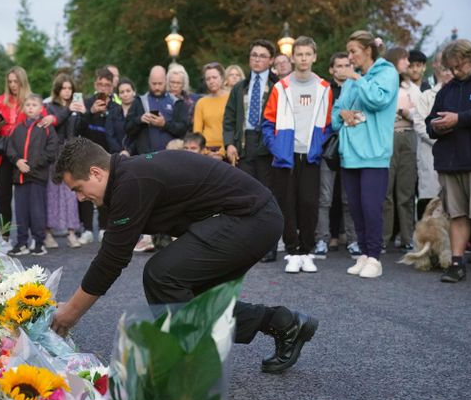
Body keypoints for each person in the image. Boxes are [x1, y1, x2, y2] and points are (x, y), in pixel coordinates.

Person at [51, 137, 319, 374]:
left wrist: (71, 313)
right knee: (190, 297)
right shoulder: (128, 178)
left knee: (162, 275)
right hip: (250, 219)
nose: (79, 197)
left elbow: (111, 259)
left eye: (77, 188)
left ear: (96, 173)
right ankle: (285, 323)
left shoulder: (131, 182)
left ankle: (188, 366)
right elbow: (111, 253)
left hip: (253, 218)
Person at [262, 36, 333, 274]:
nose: (303, 58)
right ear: (293, 57)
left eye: (307, 54)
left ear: (314, 57)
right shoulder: (281, 87)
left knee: (309, 203)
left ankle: (307, 251)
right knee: (287, 203)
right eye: (299, 54)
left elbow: (328, 124)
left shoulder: (324, 88)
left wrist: (319, 145)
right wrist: (278, 149)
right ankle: (292, 252)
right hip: (286, 155)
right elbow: (268, 123)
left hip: (310, 155)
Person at [332, 30, 399, 279]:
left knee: (371, 207)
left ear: (368, 50)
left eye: (353, 52)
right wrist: (341, 114)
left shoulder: (387, 73)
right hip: (350, 152)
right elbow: (336, 111)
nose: (349, 57)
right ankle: (363, 253)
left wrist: (356, 79)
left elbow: (377, 101)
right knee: (356, 208)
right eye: (348, 52)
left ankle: (375, 257)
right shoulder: (352, 78)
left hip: (374, 153)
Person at [222, 39, 279, 262]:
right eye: (253, 55)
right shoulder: (240, 88)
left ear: (271, 60)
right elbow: (229, 119)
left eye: (262, 56)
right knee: (244, 196)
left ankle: (269, 246)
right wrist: (230, 143)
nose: (256, 59)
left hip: (267, 145)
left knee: (268, 196)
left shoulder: (278, 86)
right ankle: (244, 246)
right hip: (244, 144)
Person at [425, 39, 471, 283]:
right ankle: (456, 264)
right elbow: (429, 121)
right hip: (450, 161)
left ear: (470, 58)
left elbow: (462, 117)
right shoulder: (447, 89)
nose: (455, 71)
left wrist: (459, 119)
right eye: (452, 67)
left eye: (459, 66)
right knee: (457, 215)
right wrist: (436, 126)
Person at [0, 67, 45, 247]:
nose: (12, 85)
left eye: (16, 81)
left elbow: (42, 120)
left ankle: (28, 238)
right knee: (3, 197)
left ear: (22, 81)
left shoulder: (30, 101)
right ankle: (5, 238)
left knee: (27, 198)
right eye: (10, 82)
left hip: (23, 153)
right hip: (3, 154)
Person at [314, 53, 361, 259]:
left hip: (352, 147)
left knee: (349, 198)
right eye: (339, 66)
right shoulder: (324, 90)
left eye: (346, 65)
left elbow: (361, 116)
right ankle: (322, 240)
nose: (342, 69)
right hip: (328, 147)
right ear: (332, 69)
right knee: (324, 198)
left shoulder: (358, 88)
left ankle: (352, 241)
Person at [6, 94, 58, 256]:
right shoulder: (17, 128)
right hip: (19, 177)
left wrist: (32, 165)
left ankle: (38, 241)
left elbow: (52, 151)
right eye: (27, 104)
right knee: (21, 212)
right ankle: (22, 242)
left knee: (37, 211)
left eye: (34, 105)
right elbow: (10, 148)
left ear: (41, 108)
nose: (30, 107)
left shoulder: (46, 128)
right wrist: (18, 162)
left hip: (37, 177)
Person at [382, 47, 420, 253]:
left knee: (406, 192)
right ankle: (383, 237)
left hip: (407, 137)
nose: (408, 63)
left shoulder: (410, 87)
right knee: (385, 191)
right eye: (404, 58)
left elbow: (420, 112)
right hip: (387, 137)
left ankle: (408, 237)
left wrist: (406, 112)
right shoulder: (384, 83)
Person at [43, 73, 85, 250]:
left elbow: (80, 130)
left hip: (71, 155)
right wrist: (69, 110)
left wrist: (83, 114)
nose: (67, 92)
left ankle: (71, 233)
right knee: (51, 195)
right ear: (58, 89)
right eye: (64, 88)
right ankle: (48, 234)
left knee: (70, 195)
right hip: (54, 155)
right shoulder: (49, 106)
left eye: (70, 88)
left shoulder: (76, 107)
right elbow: (56, 122)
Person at [78, 67, 119, 243]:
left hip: (108, 155)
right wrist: (91, 112)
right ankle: (87, 229)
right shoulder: (87, 103)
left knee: (105, 192)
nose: (103, 88)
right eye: (100, 84)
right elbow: (77, 129)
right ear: (95, 84)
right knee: (85, 191)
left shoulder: (116, 108)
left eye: (107, 85)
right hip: (87, 154)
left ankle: (104, 228)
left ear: (112, 87)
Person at [413, 52, 453, 220]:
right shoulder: (426, 96)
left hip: (456, 155)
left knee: (455, 201)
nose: (448, 73)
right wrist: (439, 137)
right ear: (437, 69)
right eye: (445, 69)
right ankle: (426, 239)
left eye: (451, 69)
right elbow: (420, 124)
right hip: (431, 152)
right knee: (429, 199)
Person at [125, 65, 188, 155]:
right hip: (147, 156)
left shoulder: (176, 102)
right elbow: (127, 128)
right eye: (154, 84)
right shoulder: (140, 101)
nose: (157, 87)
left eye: (160, 83)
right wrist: (140, 120)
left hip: (170, 155)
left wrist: (164, 124)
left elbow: (184, 129)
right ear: (149, 82)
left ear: (166, 82)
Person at [193, 62, 230, 158]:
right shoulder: (201, 102)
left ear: (222, 78)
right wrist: (206, 152)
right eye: (208, 79)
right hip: (206, 150)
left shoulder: (231, 98)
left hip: (227, 149)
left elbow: (234, 127)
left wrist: (222, 152)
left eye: (214, 77)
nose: (211, 81)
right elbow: (197, 132)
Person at [106, 78, 137, 156]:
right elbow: (110, 134)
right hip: (116, 155)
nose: (125, 94)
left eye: (128, 91)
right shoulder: (113, 112)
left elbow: (141, 136)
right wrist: (121, 152)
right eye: (122, 92)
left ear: (134, 92)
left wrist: (129, 151)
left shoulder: (140, 111)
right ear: (118, 95)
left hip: (136, 155)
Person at [166, 64, 199, 129]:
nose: (175, 86)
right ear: (168, 82)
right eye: (172, 82)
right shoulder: (162, 99)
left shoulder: (192, 102)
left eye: (178, 83)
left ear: (184, 84)